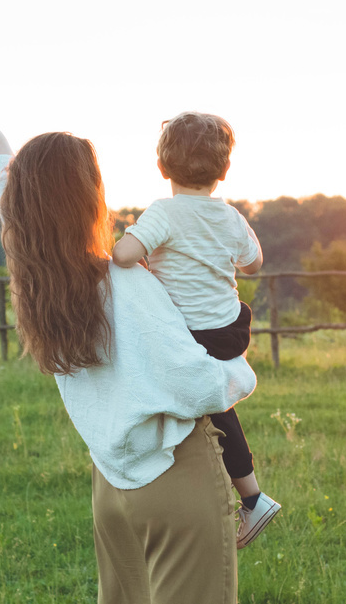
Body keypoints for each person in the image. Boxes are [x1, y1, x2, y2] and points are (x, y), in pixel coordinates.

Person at [0, 0, 257, 604]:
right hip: (176, 484)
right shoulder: (126, 285)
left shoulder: (38, 272)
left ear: (27, 204)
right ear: (89, 201)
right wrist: (240, 367)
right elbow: (201, 388)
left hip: (111, 491)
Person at [112, 112, 281, 549]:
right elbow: (255, 264)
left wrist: (145, 248)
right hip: (228, 329)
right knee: (220, 410)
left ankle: (248, 497)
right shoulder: (231, 217)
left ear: (162, 166)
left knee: (193, 400)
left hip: (188, 336)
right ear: (224, 170)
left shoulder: (164, 213)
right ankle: (249, 496)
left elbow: (123, 255)